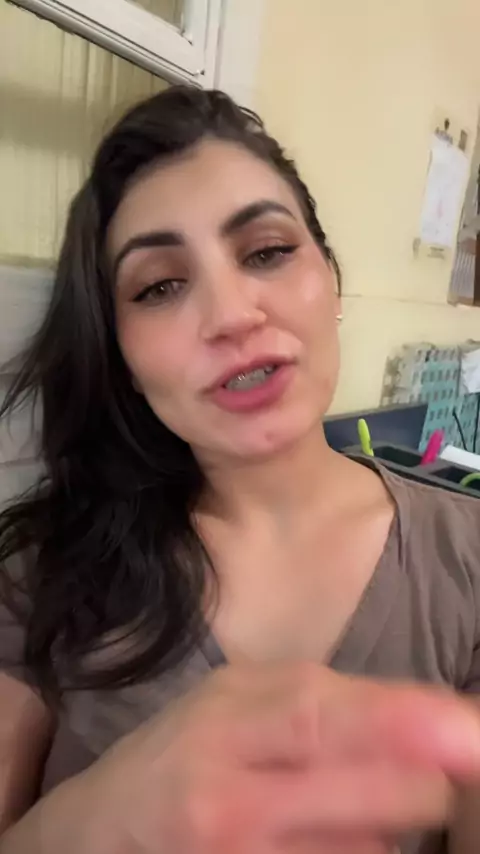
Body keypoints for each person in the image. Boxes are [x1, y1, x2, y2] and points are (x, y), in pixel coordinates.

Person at [0, 86, 480, 854]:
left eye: (266, 252)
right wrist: (101, 817)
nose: (229, 315)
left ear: (332, 282)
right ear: (122, 360)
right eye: (160, 287)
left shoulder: (468, 560)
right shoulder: (37, 575)